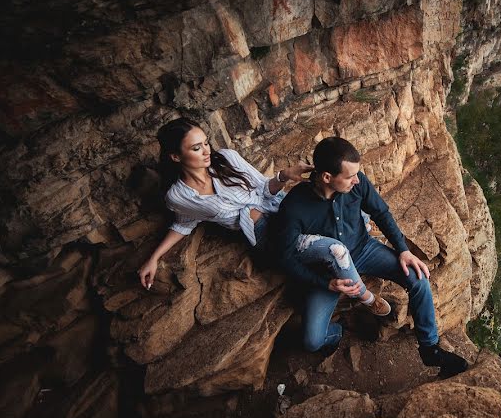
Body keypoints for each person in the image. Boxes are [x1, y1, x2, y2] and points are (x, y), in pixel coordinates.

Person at [137, 118, 390, 316]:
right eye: (196, 147)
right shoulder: (179, 196)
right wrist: (154, 258)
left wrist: (283, 176)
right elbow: (184, 222)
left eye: (205, 142)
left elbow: (262, 189)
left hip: (282, 209)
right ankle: (365, 297)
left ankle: (363, 234)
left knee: (342, 207)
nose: (206, 151)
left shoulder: (226, 158)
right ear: (175, 156)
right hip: (265, 234)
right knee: (335, 249)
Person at [275, 136, 468, 378]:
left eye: (357, 174)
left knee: (418, 279)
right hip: (327, 272)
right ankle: (337, 330)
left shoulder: (357, 184)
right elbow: (284, 257)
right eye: (349, 176)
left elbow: (381, 212)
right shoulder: (295, 205)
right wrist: (325, 283)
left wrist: (403, 250)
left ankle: (430, 349)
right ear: (327, 177)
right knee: (312, 342)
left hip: (364, 250)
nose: (357, 180)